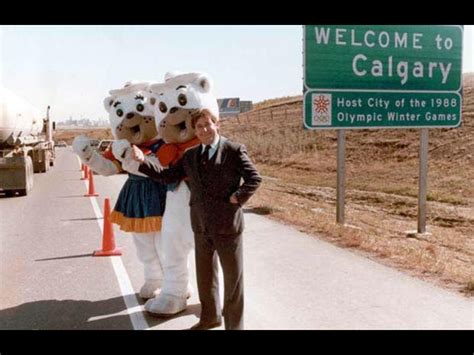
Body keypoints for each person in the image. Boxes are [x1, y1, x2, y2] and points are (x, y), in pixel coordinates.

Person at [130, 108, 262, 330]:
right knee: (205, 278)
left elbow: (254, 178)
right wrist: (143, 161)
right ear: (195, 130)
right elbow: (166, 176)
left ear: (217, 124)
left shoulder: (233, 150)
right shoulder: (190, 156)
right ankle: (210, 318)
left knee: (233, 281)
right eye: (199, 127)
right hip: (200, 226)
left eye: (208, 124)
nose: (204, 130)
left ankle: (234, 326)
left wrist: (237, 198)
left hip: (227, 226)